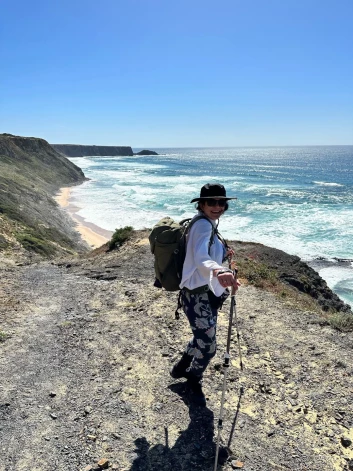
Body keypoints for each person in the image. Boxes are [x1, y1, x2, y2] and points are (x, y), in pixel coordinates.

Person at [170, 183, 239, 406]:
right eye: (212, 202)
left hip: (204, 292)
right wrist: (219, 269)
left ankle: (182, 366)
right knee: (209, 347)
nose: (218, 206)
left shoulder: (207, 223)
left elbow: (204, 253)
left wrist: (221, 254)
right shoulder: (203, 226)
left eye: (222, 202)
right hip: (197, 294)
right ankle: (192, 378)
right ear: (201, 204)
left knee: (203, 334)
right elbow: (200, 256)